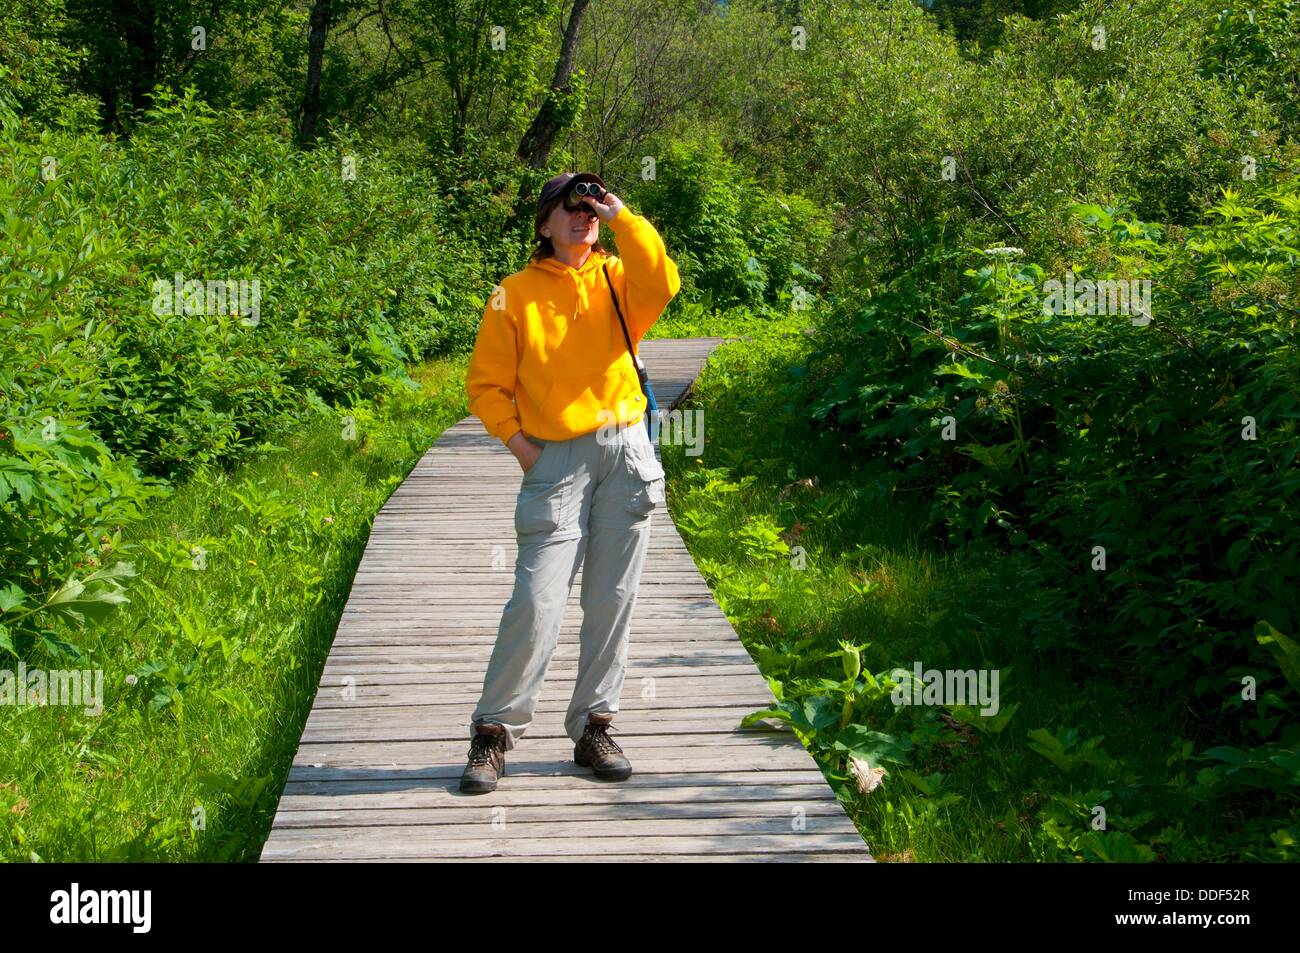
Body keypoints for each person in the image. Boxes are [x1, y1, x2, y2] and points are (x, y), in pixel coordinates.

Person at [460, 171, 681, 793]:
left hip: (626, 452)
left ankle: (594, 727)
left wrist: (622, 216)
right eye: (568, 208)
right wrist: (523, 446)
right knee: (537, 600)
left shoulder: (617, 279)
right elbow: (485, 384)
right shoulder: (514, 293)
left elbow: (664, 280)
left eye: (589, 207)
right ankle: (494, 732)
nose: (581, 216)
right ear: (544, 224)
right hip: (554, 458)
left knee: (613, 599)